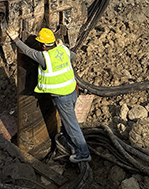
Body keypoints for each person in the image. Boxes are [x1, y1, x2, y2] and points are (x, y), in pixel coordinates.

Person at [6, 26, 91, 163]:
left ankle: (83, 153)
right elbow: (73, 57)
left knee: (71, 125)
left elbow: (27, 51)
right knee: (66, 123)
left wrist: (15, 38)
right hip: (72, 92)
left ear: (44, 45)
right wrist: (63, 47)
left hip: (62, 98)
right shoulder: (63, 50)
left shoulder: (44, 57)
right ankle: (72, 145)